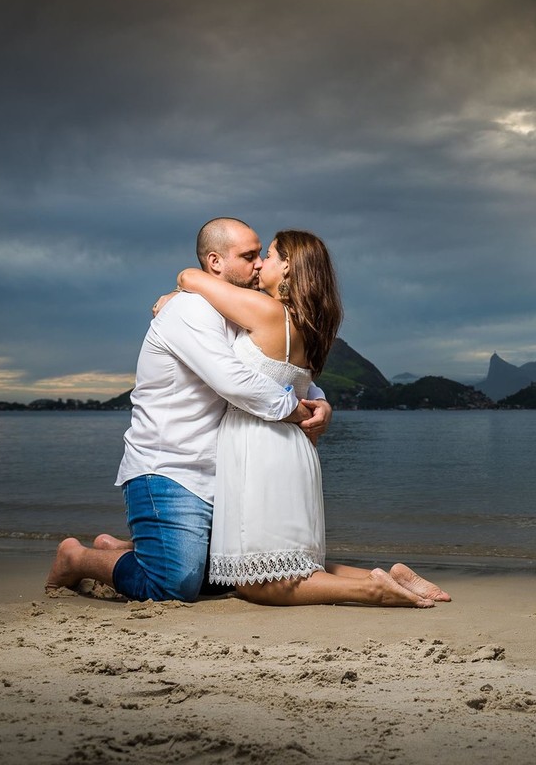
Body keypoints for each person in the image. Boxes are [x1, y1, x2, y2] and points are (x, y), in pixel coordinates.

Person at [45, 217, 331, 602]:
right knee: (175, 584)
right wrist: (294, 410)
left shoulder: (238, 311)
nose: (260, 264)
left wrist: (320, 400)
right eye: (249, 257)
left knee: (240, 572)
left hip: (223, 474)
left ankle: (133, 549)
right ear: (215, 262)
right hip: (171, 467)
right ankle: (77, 558)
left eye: (262, 255)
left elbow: (273, 367)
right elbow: (233, 380)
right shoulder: (190, 311)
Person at [169, 229, 450, 608]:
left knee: (258, 584)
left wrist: (175, 295)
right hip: (293, 447)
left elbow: (189, 276)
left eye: (269, 255)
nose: (260, 265)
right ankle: (386, 576)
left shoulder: (266, 311)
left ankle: (372, 590)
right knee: (292, 564)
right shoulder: (308, 325)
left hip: (260, 443)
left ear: (287, 266)